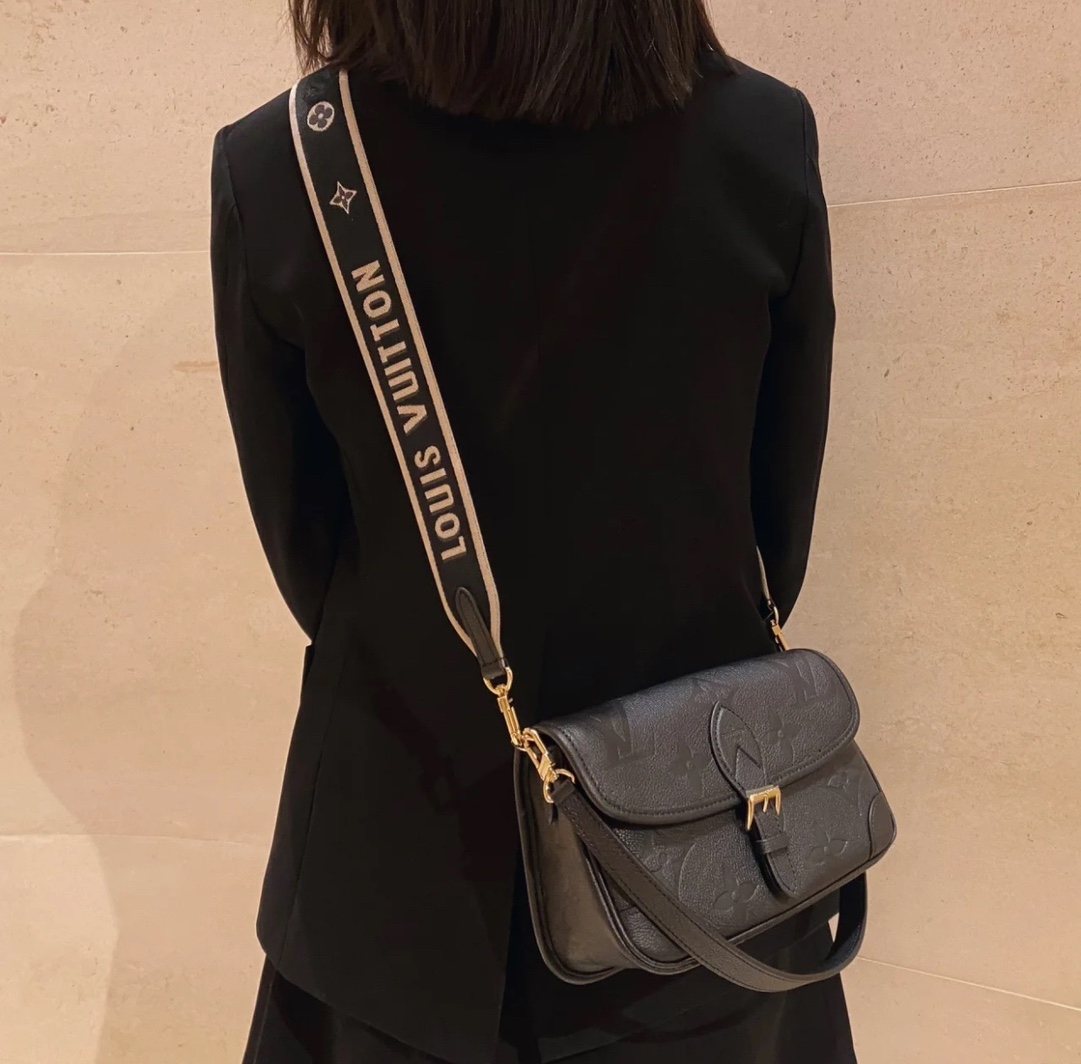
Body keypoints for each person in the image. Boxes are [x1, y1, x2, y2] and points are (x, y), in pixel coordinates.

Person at [210, 1, 847, 1061]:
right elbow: (776, 536)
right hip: (705, 864)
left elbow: (306, 551)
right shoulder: (762, 135)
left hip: (396, 868)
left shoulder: (286, 163)